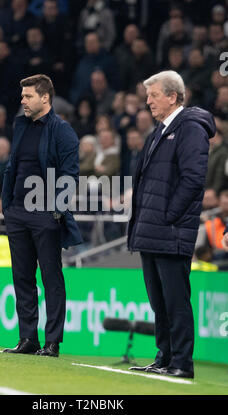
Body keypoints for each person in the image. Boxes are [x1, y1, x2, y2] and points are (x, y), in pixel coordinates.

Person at [127, 70, 216, 379]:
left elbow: (193, 179)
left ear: (173, 96)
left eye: (153, 95)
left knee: (176, 302)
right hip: (151, 230)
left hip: (170, 230)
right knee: (159, 303)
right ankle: (164, 357)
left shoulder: (190, 128)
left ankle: (182, 362)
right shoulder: (160, 131)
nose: (147, 101)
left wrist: (168, 216)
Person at [2, 74, 82, 357]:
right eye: (22, 96)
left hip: (45, 215)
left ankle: (52, 341)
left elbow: (70, 175)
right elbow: (13, 166)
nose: (22, 101)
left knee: (51, 277)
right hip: (18, 213)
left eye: (28, 96)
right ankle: (28, 339)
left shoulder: (62, 131)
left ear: (45, 97)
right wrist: (8, 207)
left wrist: (56, 212)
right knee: (22, 277)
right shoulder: (21, 125)